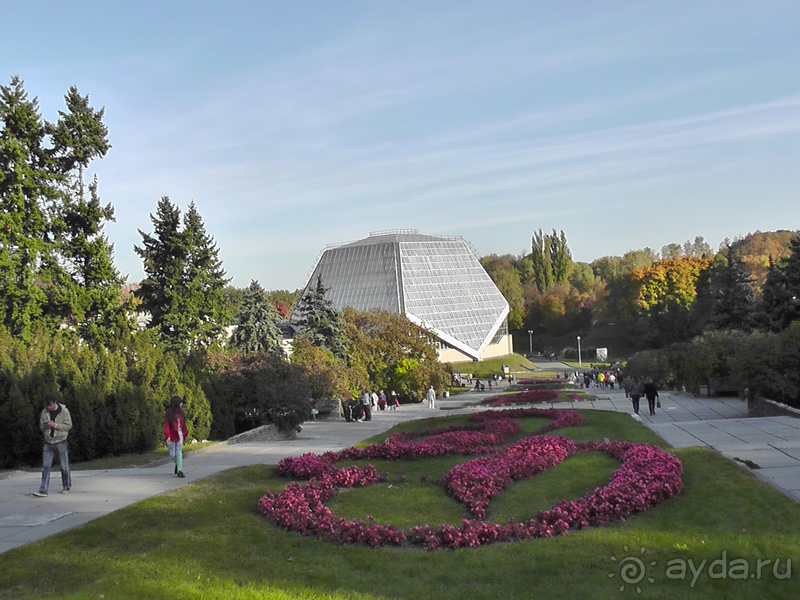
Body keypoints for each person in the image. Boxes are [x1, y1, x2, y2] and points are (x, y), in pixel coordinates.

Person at [33, 392, 72, 497]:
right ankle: (43, 489)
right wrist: (45, 426)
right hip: (48, 442)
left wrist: (55, 425)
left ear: (54, 403)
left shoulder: (64, 411)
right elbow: (41, 427)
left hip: (61, 441)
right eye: (47, 405)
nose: (48, 407)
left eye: (50, 405)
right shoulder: (44, 412)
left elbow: (68, 426)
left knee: (64, 466)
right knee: (46, 466)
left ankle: (66, 485)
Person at [164, 396, 188, 478]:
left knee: (178, 451)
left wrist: (185, 434)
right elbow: (166, 424)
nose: (181, 404)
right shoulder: (168, 412)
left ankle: (180, 470)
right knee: (172, 453)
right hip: (171, 434)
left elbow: (183, 424)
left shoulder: (181, 413)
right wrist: (167, 436)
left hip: (179, 433)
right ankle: (178, 463)